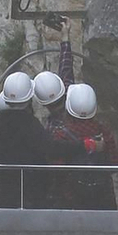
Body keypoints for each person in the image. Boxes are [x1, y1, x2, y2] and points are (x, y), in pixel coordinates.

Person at [0, 70, 50, 209]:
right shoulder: (31, 124)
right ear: (29, 98)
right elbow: (46, 150)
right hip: (32, 191)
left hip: (6, 189)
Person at [59, 80, 118, 210]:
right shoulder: (104, 132)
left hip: (71, 199)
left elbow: (56, 168)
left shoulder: (62, 135)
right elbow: (114, 164)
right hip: (102, 198)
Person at [30, 69, 81, 207]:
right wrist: (65, 46)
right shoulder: (76, 110)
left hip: (62, 188)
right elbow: (67, 71)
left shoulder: (51, 129)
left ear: (43, 104)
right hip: (84, 186)